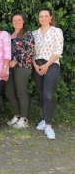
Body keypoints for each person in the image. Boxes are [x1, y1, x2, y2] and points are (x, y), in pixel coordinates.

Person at [32, 8, 63, 140]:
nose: (43, 18)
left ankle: (49, 126)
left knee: (48, 95)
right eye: (41, 16)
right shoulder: (34, 33)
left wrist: (46, 65)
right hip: (37, 66)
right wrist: (36, 66)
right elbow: (31, 52)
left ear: (51, 17)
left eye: (46, 16)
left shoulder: (56, 31)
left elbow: (58, 51)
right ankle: (45, 119)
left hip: (51, 65)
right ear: (38, 19)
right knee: (42, 94)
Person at [5, 12, 34, 129]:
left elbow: (29, 51)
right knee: (9, 92)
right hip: (10, 68)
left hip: (22, 67)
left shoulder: (28, 34)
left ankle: (24, 118)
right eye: (14, 20)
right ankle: (17, 116)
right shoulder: (10, 35)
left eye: (19, 20)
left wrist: (15, 61)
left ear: (23, 21)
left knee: (21, 93)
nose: (16, 22)